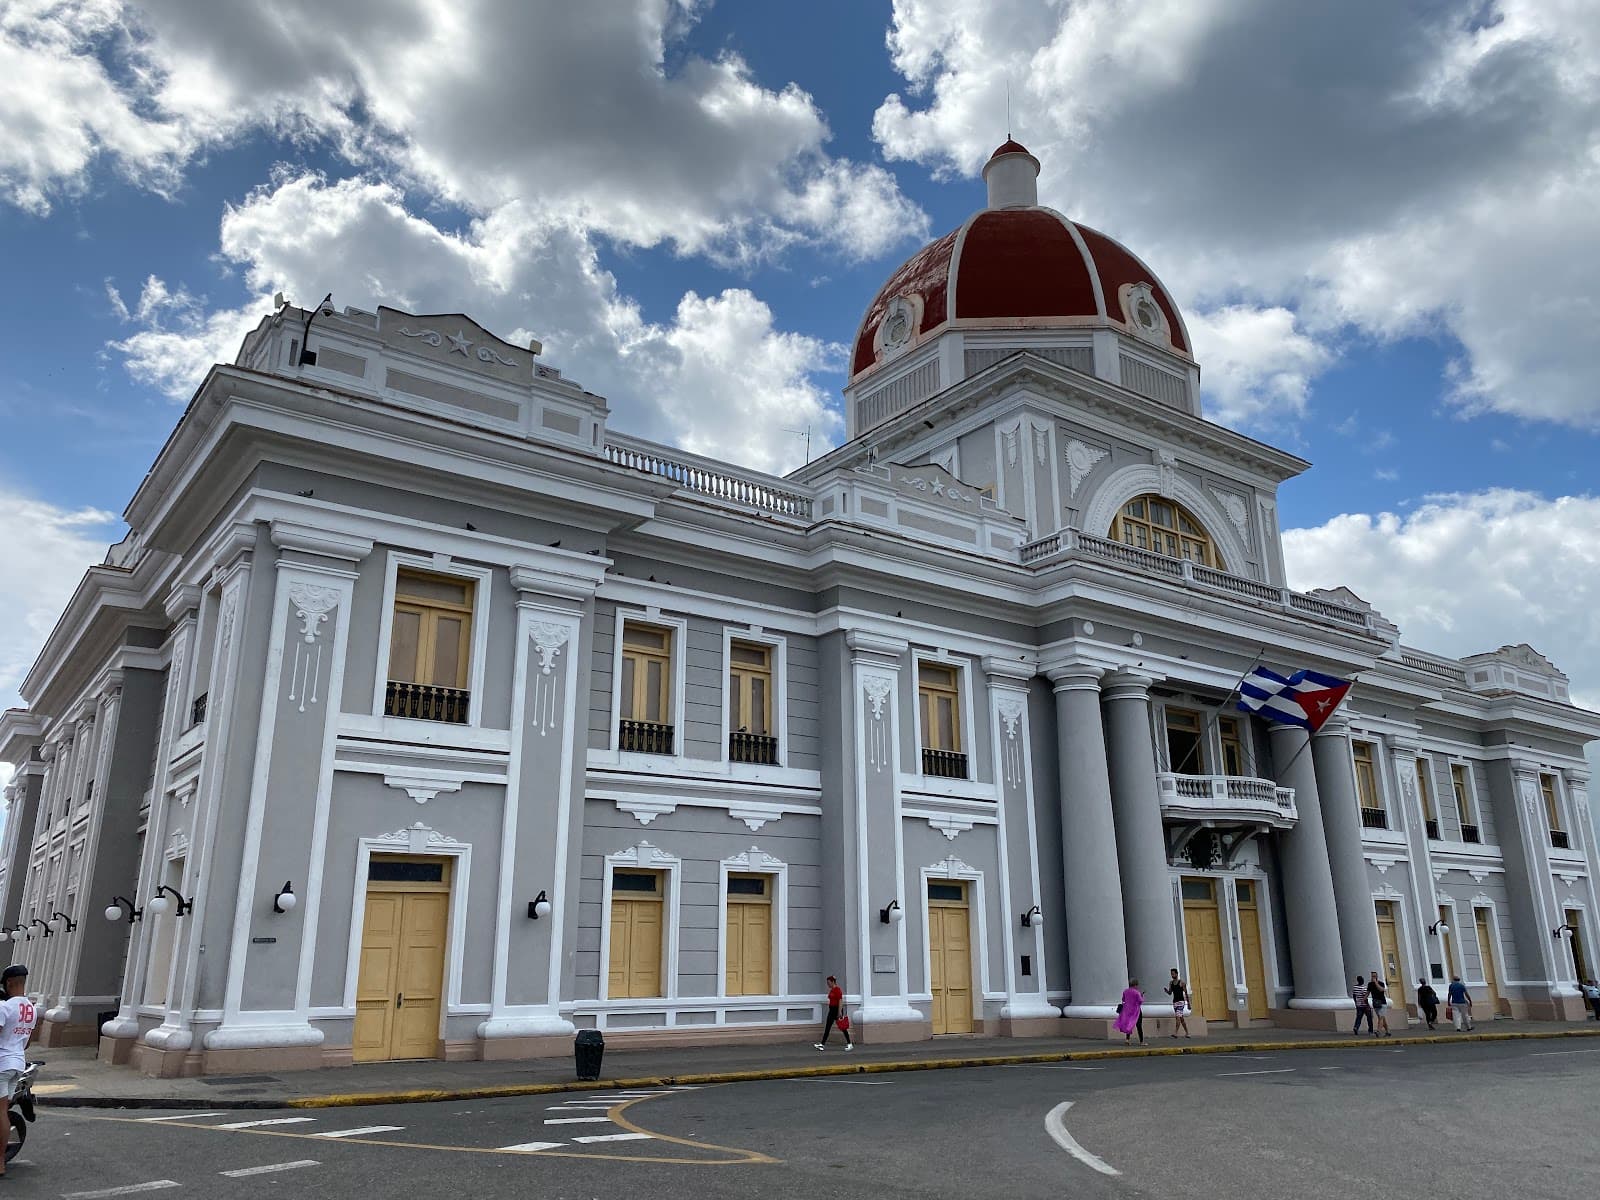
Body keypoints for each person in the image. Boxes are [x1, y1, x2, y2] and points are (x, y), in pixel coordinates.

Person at [0, 963, 37, 1180]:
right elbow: (27, 1042)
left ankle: (0, 1163)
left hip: (2, 1063)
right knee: (2, 1110)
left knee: (0, 1111)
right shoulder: (31, 1009)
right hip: (17, 1063)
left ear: (9, 983)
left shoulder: (5, 1007)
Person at [814, 975, 853, 1050]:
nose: (828, 984)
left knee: (842, 1027)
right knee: (827, 1027)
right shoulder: (832, 990)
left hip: (837, 1010)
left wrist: (839, 1012)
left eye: (829, 983)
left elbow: (840, 1001)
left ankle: (849, 1043)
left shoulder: (837, 990)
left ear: (833, 982)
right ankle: (822, 1044)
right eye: (827, 983)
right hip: (831, 1010)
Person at [1115, 978, 1145, 1044]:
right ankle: (1141, 1041)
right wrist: (1142, 996)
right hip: (1136, 1010)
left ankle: (1127, 1039)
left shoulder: (1125, 991)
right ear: (1135, 985)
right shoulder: (1137, 992)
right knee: (1139, 1025)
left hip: (1127, 1010)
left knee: (1128, 1024)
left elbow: (1123, 999)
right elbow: (1140, 1001)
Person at [1164, 968, 1191, 1038]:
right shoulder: (1171, 983)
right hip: (1175, 1002)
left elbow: (1186, 993)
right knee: (1181, 1018)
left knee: (1177, 1017)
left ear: (1176, 974)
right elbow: (1170, 993)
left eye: (1173, 974)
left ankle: (1175, 1033)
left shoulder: (1181, 983)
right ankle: (1187, 1033)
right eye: (1171, 974)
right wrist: (1166, 991)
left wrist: (1188, 1003)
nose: (1172, 975)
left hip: (1181, 1002)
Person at [1368, 969, 1391, 1037]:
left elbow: (1381, 990)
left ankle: (1378, 1031)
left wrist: (1375, 982)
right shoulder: (1370, 984)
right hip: (1376, 1003)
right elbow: (1367, 993)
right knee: (1382, 1018)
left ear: (1377, 977)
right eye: (1372, 976)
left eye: (1374, 976)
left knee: (1381, 1017)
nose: (1373, 977)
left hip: (1382, 1003)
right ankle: (1388, 1031)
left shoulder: (1381, 983)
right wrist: (1363, 999)